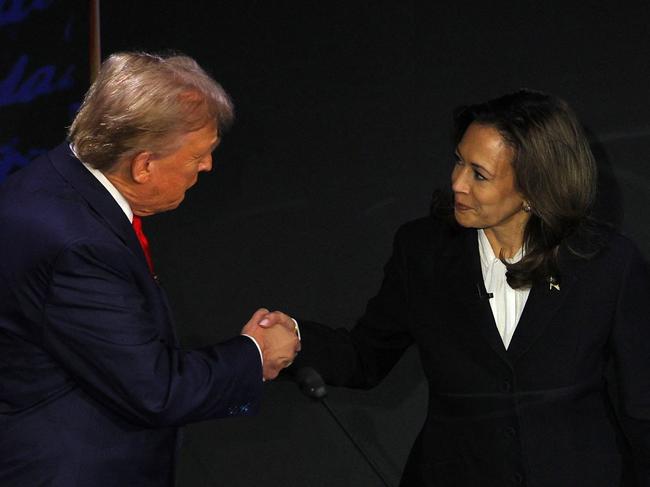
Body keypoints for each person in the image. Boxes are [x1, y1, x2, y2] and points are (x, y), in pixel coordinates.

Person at [270, 90, 650, 486]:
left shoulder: (606, 263)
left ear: (534, 189)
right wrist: (293, 340)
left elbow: (643, 403)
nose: (457, 183)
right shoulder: (423, 252)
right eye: (458, 161)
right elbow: (365, 356)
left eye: (478, 174)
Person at [0, 51, 300, 486]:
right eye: (199, 154)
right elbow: (156, 391)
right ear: (143, 165)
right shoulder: (79, 246)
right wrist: (255, 355)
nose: (207, 166)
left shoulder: (51, 179)